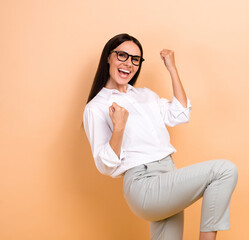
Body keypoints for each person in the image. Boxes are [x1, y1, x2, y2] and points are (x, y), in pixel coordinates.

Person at [83, 33, 238, 240]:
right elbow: (105, 165)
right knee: (224, 170)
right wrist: (118, 128)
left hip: (168, 178)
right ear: (108, 58)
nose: (128, 63)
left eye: (135, 59)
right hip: (143, 185)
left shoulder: (146, 95)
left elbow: (180, 113)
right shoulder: (96, 107)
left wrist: (172, 69)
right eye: (122, 55)